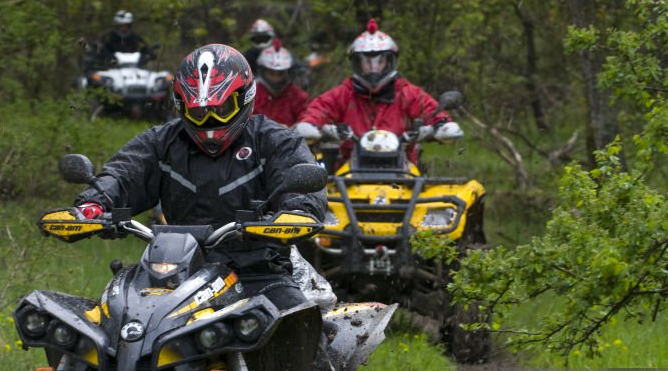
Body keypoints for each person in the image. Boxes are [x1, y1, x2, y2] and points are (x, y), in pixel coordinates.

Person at [72, 43, 326, 306]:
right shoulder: (161, 141)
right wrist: (94, 203)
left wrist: (297, 210)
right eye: (198, 113)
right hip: (174, 269)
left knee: (296, 319)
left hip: (258, 270)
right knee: (118, 315)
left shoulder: (275, 140)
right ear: (181, 107)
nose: (209, 122)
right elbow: (124, 173)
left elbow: (300, 179)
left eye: (221, 109)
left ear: (244, 98)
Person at [293, 19, 463, 167]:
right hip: (348, 171)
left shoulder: (407, 93)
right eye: (367, 61)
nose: (373, 67)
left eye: (379, 61)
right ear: (357, 63)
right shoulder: (343, 94)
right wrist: (311, 125)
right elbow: (318, 110)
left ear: (389, 61)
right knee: (321, 200)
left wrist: (442, 125)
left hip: (404, 170)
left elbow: (433, 111)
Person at [253, 39, 310, 127]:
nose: (276, 79)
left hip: (289, 138)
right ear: (263, 72)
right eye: (271, 73)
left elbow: (306, 117)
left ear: (287, 73)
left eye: (280, 74)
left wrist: (296, 128)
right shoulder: (253, 94)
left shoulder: (298, 96)